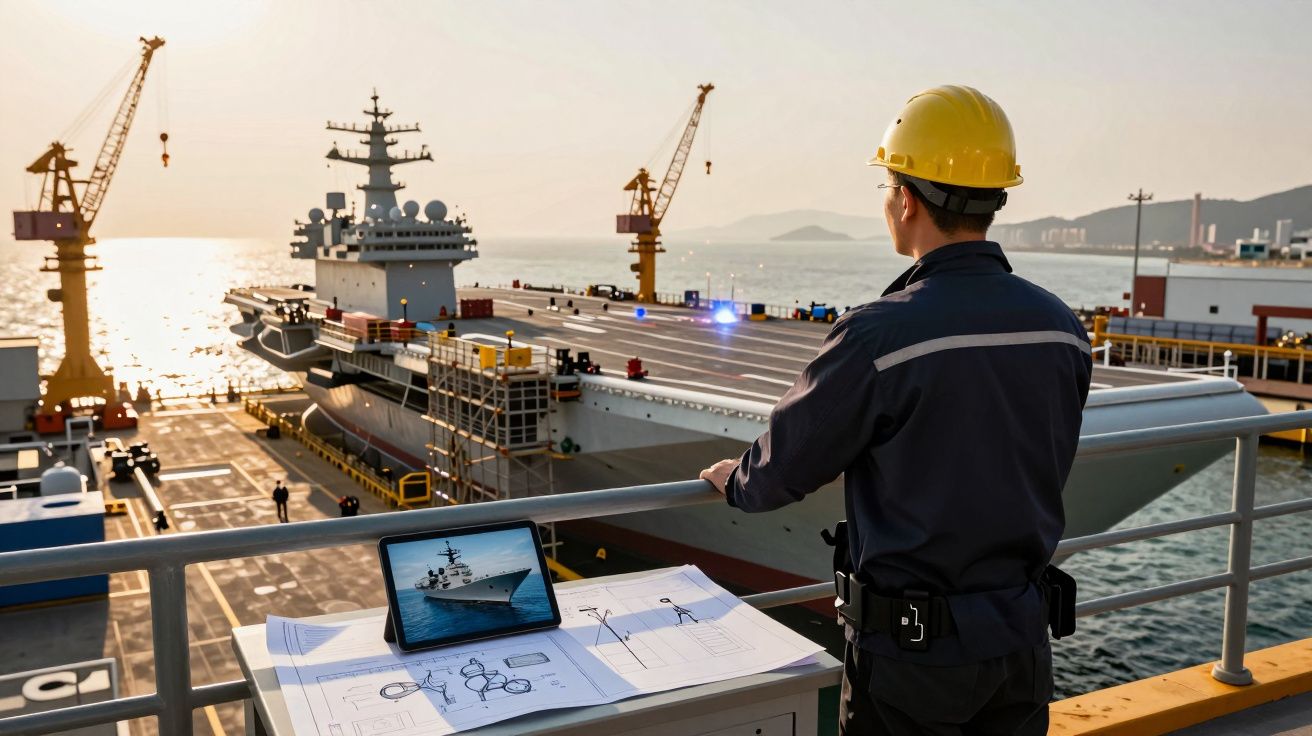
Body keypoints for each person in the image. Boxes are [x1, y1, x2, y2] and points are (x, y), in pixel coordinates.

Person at [699, 85, 1092, 735]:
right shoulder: (1060, 327)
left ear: (907, 200)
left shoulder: (880, 335)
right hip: (1021, 643)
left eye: (887, 187)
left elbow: (786, 467)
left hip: (914, 663)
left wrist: (735, 478)